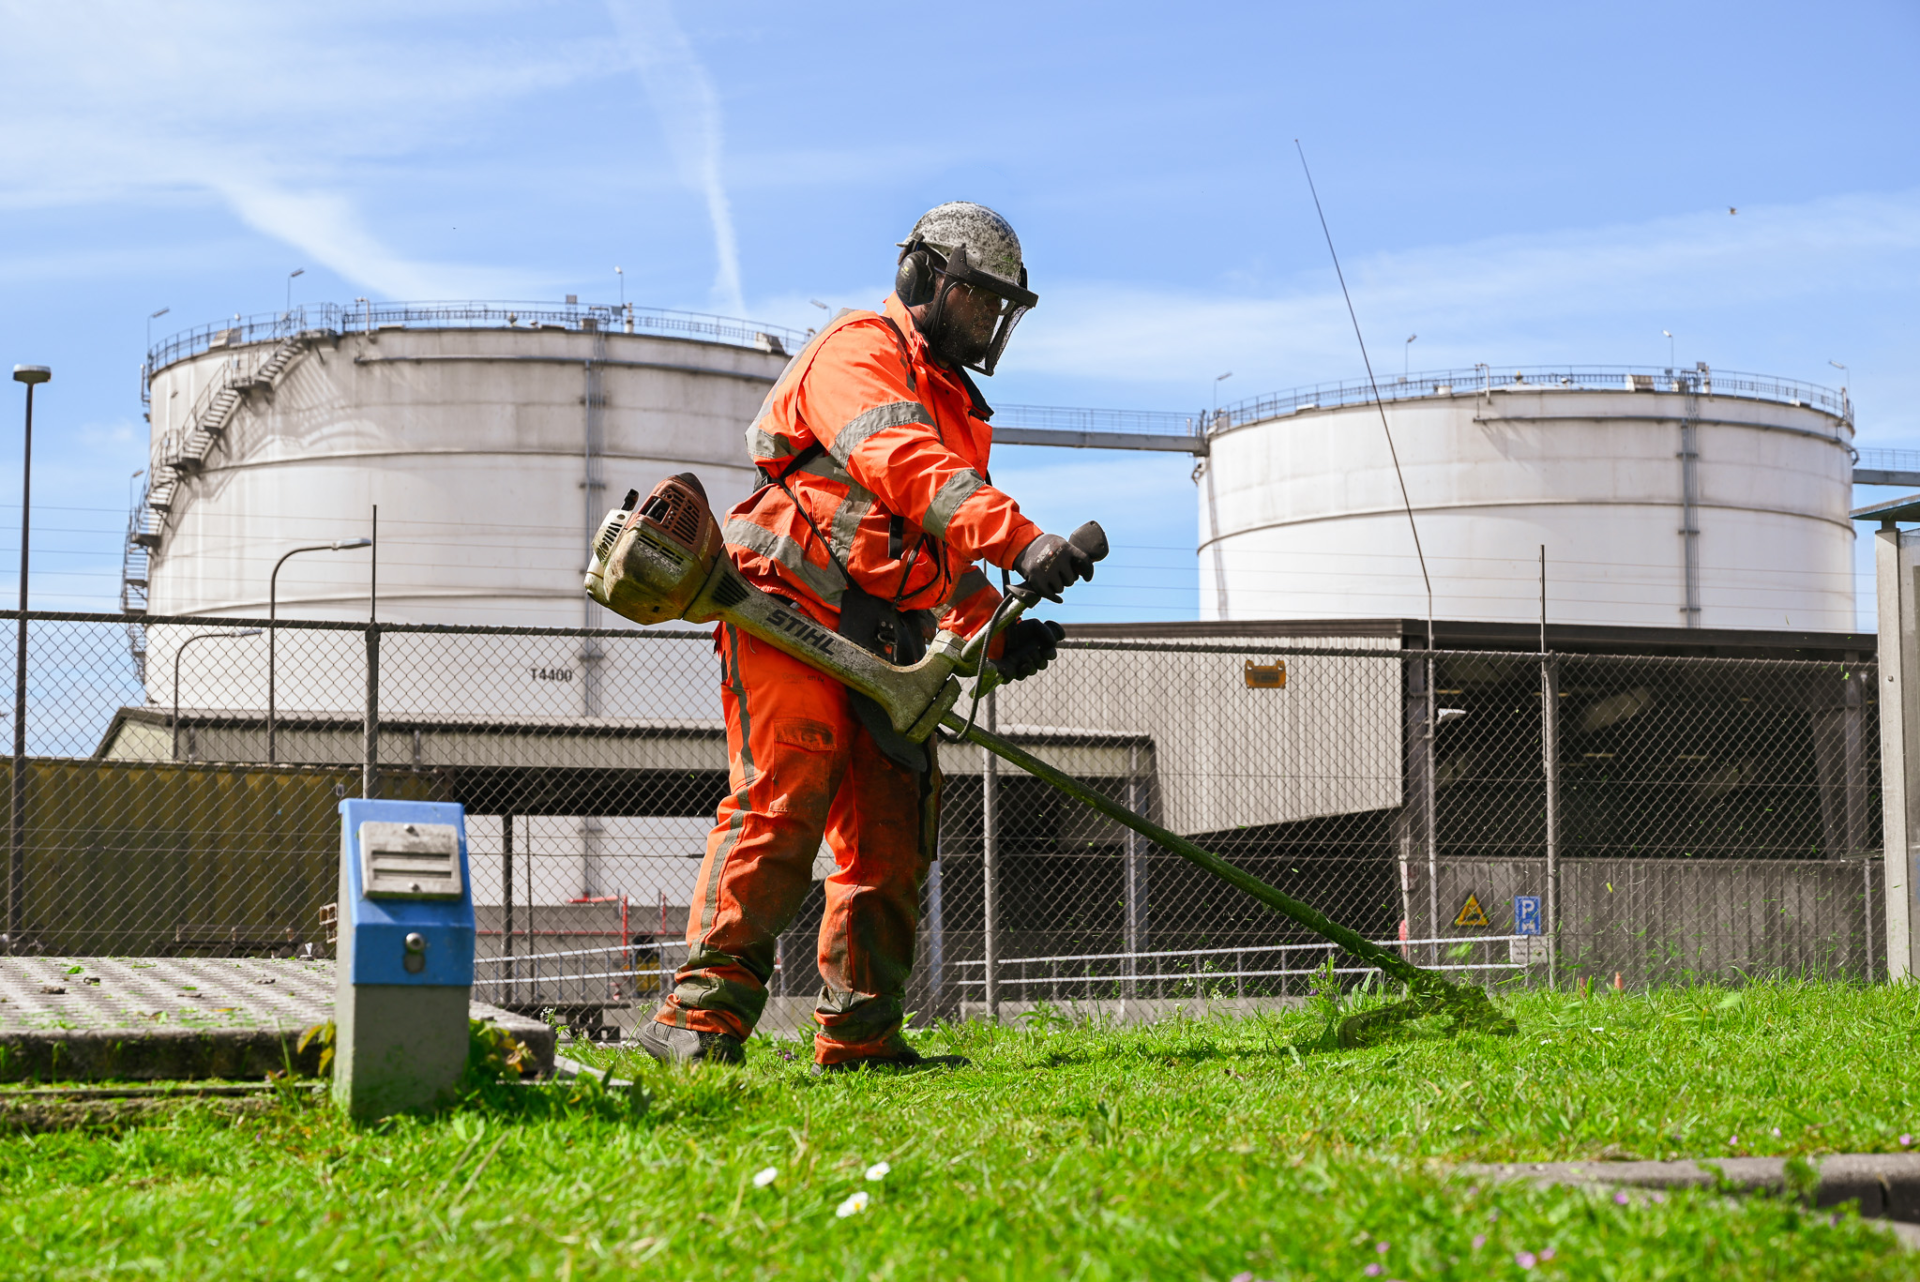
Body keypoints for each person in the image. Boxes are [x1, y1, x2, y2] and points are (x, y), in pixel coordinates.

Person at [638, 201, 1095, 1071]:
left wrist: (993, 640)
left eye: (1004, 308)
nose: (993, 321)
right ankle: (697, 1023)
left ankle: (860, 1037)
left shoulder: (960, 405)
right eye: (982, 299)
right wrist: (1022, 539)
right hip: (787, 613)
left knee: (891, 836)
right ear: (928, 279)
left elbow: (934, 546)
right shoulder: (859, 351)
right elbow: (906, 469)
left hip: (887, 643)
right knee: (781, 804)